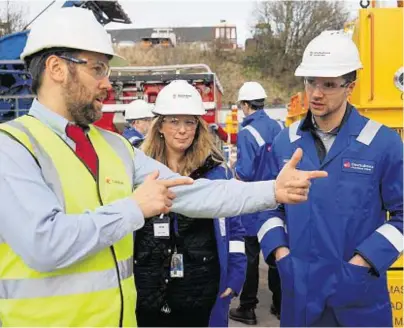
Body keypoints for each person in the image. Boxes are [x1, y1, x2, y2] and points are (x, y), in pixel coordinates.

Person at [0, 7, 327, 327]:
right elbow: (44, 244)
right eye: (98, 69)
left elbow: (197, 194)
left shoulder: (115, 148)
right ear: (56, 68)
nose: (107, 84)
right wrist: (133, 208)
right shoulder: (13, 147)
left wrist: (272, 190)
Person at [258, 30, 403, 327]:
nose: (315, 94)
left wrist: (363, 263)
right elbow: (266, 205)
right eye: (310, 82)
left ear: (350, 87)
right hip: (301, 294)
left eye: (328, 85)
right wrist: (281, 255)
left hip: (358, 297)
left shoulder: (383, 143)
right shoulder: (285, 142)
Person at [134, 80, 247, 327]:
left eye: (189, 122)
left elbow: (235, 229)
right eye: (174, 121)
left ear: (198, 127)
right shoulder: (138, 170)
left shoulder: (217, 172)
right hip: (148, 286)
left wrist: (236, 274)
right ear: (160, 126)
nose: (182, 130)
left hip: (202, 286)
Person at [229, 82, 282, 325]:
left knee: (251, 255)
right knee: (276, 252)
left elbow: (245, 172)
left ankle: (247, 308)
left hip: (253, 202)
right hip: (278, 199)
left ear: (246, 105)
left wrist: (231, 176)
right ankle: (281, 305)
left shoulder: (247, 133)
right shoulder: (280, 127)